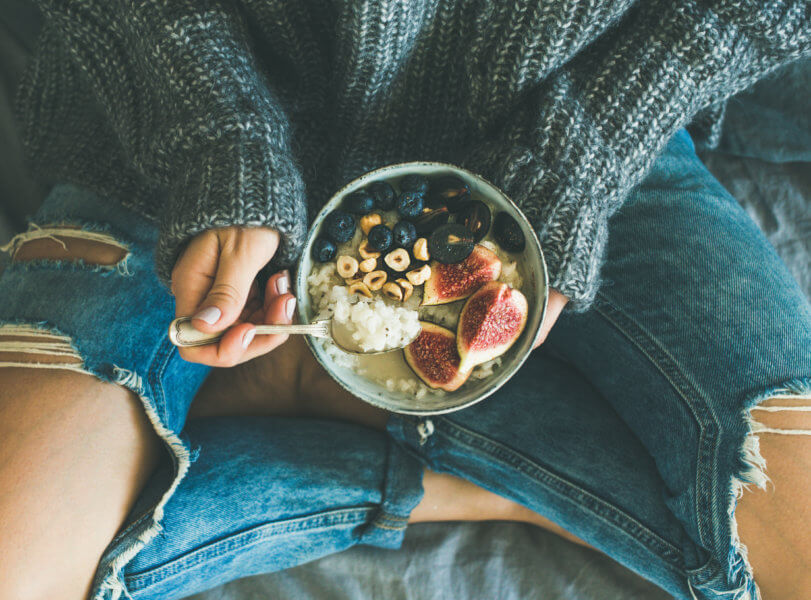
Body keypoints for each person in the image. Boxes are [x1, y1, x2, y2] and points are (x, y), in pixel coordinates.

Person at [0, 1, 809, 599]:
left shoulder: (581, 155)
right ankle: (505, 474)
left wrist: (573, 167)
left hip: (588, 133)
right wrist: (217, 141)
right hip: (183, 118)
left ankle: (358, 427)